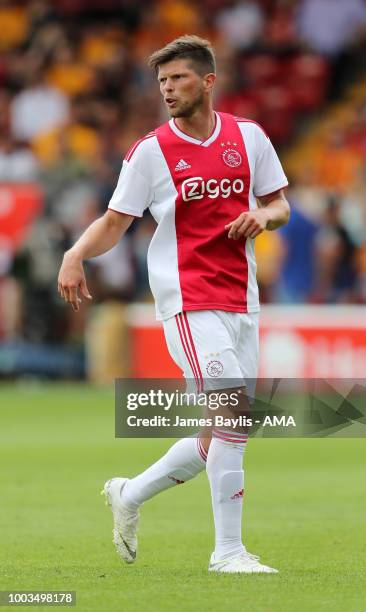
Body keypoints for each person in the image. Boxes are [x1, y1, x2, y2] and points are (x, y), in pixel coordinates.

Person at [58, 35, 290, 574]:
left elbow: (279, 203)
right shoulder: (150, 152)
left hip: (241, 299)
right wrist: (75, 254)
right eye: (162, 81)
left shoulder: (249, 138)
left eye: (178, 78)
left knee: (221, 433)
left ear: (208, 81)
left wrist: (264, 217)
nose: (167, 88)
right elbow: (116, 223)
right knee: (231, 411)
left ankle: (129, 494)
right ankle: (228, 553)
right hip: (189, 300)